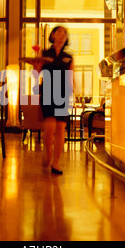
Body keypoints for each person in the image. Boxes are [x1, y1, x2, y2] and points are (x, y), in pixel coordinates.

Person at [31, 26, 74, 175]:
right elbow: (36, 74)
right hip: (48, 92)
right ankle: (48, 154)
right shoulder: (44, 53)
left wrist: (73, 92)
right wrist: (35, 69)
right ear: (53, 35)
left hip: (63, 94)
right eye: (59, 32)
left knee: (61, 129)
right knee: (49, 128)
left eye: (64, 33)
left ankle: (56, 162)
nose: (62, 35)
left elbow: (70, 77)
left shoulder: (68, 57)